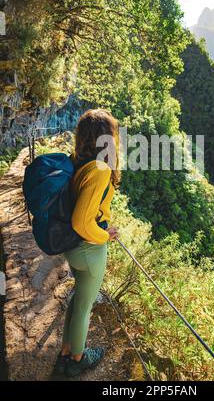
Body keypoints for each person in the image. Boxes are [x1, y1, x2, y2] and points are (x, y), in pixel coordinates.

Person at [54, 108, 120, 377]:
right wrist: (105, 236)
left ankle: (66, 351)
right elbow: (83, 221)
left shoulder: (78, 160)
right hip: (88, 246)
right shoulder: (101, 169)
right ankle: (78, 359)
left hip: (73, 246)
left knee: (77, 299)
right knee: (85, 305)